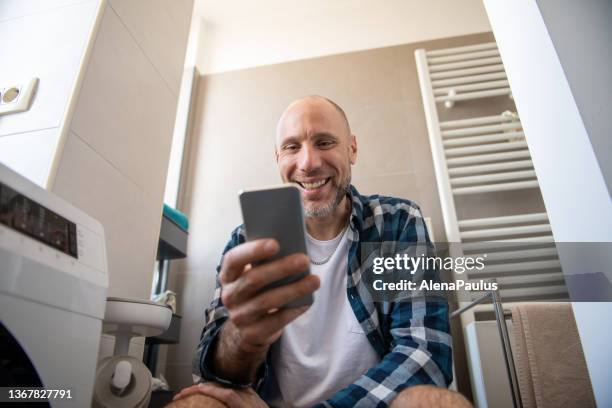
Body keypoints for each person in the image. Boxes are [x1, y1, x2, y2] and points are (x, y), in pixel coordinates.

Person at [169, 96, 465, 407]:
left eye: (324, 142)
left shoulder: (398, 222)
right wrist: (241, 338)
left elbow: (425, 354)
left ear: (352, 149)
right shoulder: (246, 241)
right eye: (292, 147)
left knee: (436, 402)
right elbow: (213, 373)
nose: (308, 163)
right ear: (278, 158)